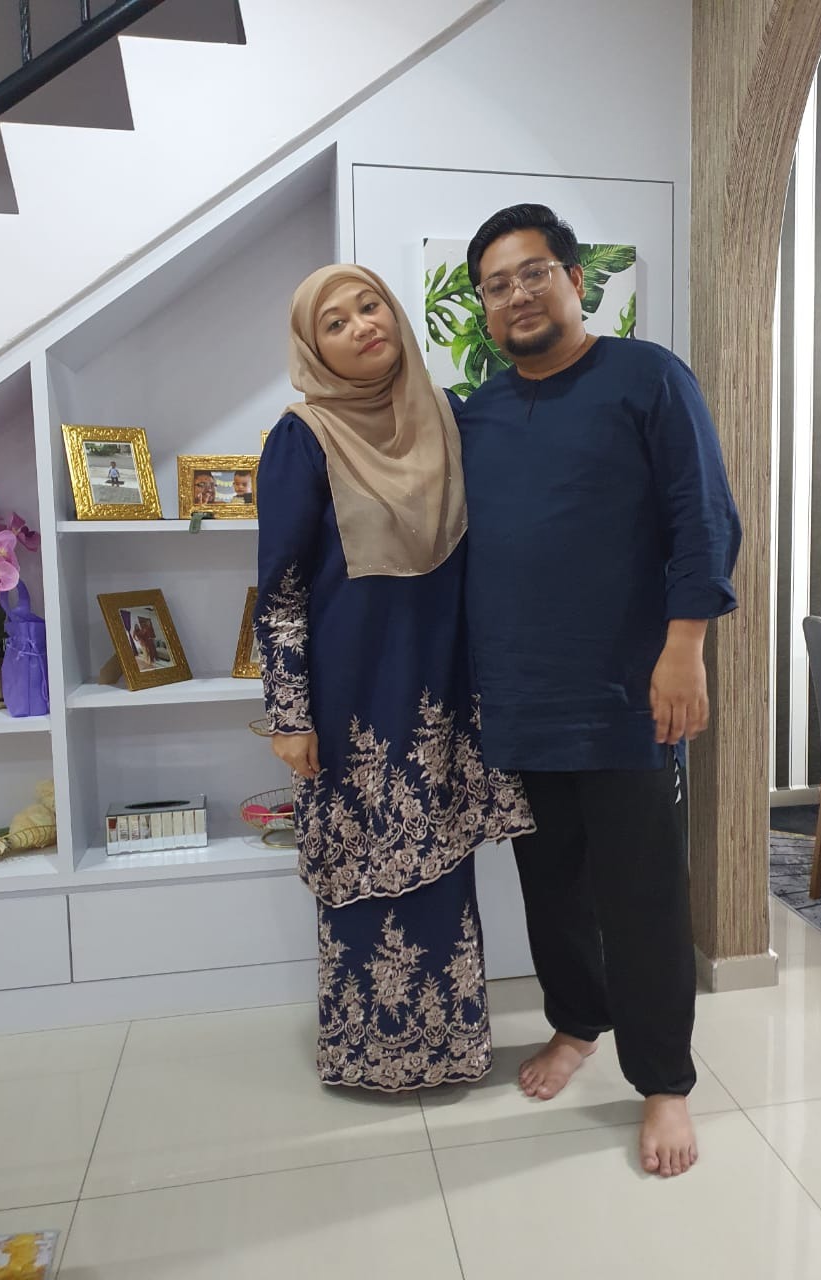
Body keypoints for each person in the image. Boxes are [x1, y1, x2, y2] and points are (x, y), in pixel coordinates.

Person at [457, 204, 742, 1177]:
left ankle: (663, 1081)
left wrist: (685, 647)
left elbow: (704, 517)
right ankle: (578, 1022)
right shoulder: (478, 414)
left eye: (533, 272)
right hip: (520, 697)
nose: (517, 295)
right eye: (497, 284)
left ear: (575, 280)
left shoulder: (649, 377)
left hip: (630, 695)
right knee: (553, 886)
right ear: (486, 307)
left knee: (643, 894)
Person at [255, 263, 532, 1092]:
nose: (362, 326)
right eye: (334, 322)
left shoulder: (446, 416)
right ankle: (365, 1051)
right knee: (361, 875)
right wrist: (289, 715)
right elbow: (280, 592)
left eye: (369, 306)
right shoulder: (302, 438)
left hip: (444, 688)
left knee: (444, 870)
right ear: (314, 348)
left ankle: (452, 1049)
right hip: (353, 700)